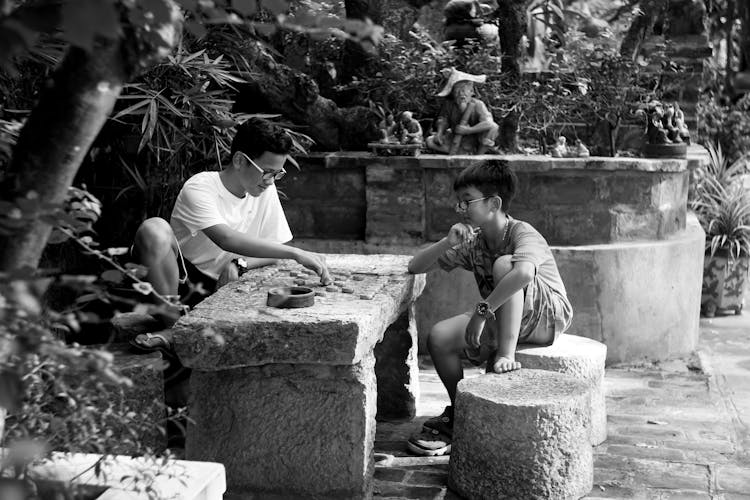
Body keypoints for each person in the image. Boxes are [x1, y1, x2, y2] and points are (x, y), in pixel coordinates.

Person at [405, 160, 573, 456]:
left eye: (467, 201)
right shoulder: (475, 241)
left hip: (545, 315)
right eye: (459, 203)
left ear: (494, 203)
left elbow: (522, 275)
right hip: (501, 313)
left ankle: (505, 353)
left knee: (505, 264)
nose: (461, 209)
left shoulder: (523, 233)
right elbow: (415, 266)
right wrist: (447, 241)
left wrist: (481, 314)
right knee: (440, 337)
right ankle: (461, 409)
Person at [129, 117, 332, 353]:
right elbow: (226, 238)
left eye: (277, 174)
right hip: (182, 286)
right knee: (153, 228)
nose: (270, 181)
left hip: (227, 286)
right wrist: (296, 253)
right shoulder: (200, 187)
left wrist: (240, 263)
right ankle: (177, 329)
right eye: (267, 172)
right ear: (239, 160)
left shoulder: (265, 189)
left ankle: (184, 334)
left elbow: (274, 250)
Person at [425, 67, 499, 155]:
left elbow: (489, 123)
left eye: (464, 91)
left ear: (471, 91)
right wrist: (439, 133)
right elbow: (443, 119)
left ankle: (479, 154)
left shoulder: (478, 104)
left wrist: (469, 130)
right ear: (452, 92)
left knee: (494, 128)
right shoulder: (449, 105)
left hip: (474, 138)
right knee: (429, 141)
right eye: (457, 91)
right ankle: (461, 152)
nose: (461, 94)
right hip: (455, 138)